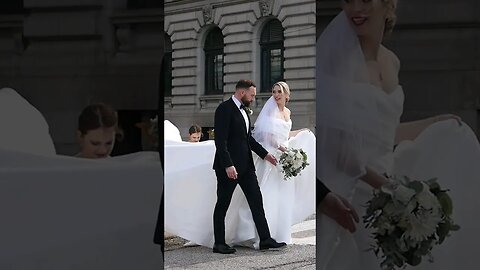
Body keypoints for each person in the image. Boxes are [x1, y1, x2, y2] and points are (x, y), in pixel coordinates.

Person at [316, 1, 480, 269]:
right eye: (348, 0)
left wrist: (438, 122)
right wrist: (397, 193)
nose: (356, 8)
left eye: (366, 0)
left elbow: (384, 134)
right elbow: (342, 152)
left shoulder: (391, 60)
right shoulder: (337, 61)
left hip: (385, 189)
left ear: (387, 5)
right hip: (352, 195)